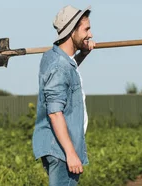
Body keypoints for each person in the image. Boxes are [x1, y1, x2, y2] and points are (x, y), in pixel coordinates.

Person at [32, 5, 95, 186]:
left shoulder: (53, 57)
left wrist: (83, 54)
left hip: (57, 147)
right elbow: (54, 112)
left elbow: (66, 74)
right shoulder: (59, 66)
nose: (90, 35)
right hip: (61, 150)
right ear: (72, 30)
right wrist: (71, 153)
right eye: (86, 29)